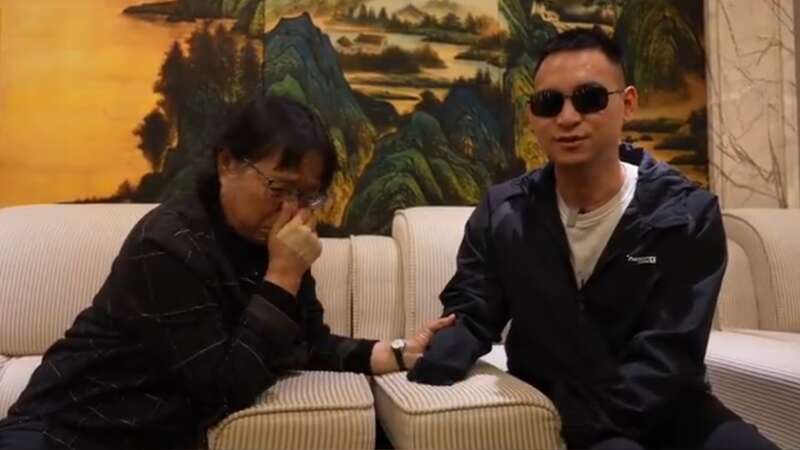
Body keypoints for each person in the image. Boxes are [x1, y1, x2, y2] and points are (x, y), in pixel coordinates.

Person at [0, 96, 454, 450]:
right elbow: (224, 388)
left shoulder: (274, 243)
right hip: (65, 429)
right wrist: (282, 275)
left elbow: (304, 343)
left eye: (307, 196)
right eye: (278, 187)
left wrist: (398, 352)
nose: (291, 209)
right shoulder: (169, 244)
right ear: (226, 163)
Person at [407, 28, 780, 450]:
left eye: (589, 99)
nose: (567, 118)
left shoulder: (687, 215)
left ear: (629, 104)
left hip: (671, 408)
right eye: (549, 103)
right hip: (565, 412)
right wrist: (429, 361)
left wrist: (589, 419)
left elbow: (671, 353)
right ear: (532, 115)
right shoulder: (503, 212)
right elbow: (472, 312)